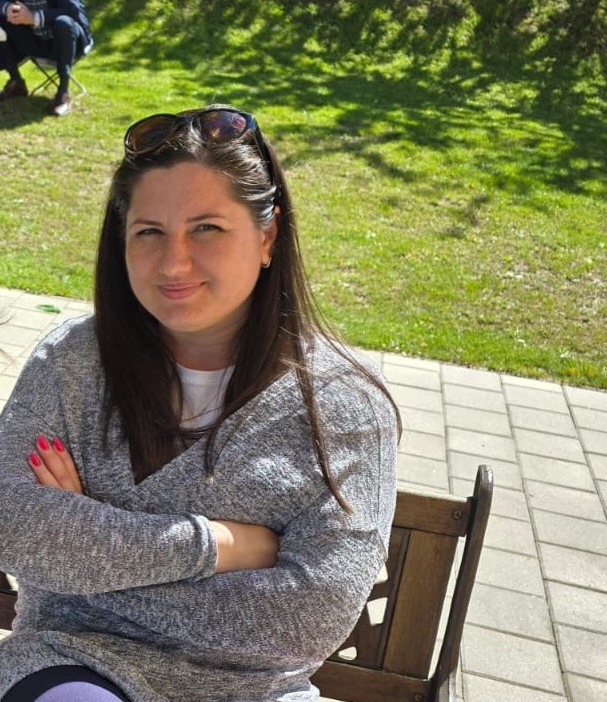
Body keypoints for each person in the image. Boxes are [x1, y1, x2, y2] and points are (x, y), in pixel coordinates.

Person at [0, 106, 399, 701]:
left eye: (206, 228)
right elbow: (13, 525)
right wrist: (222, 546)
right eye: (149, 232)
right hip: (73, 667)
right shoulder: (72, 362)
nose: (174, 263)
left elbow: (308, 618)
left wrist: (85, 555)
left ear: (267, 236)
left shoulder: (343, 406)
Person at [0, 0, 92, 117]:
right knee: (3, 18)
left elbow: (71, 8)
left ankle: (63, 94)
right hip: (36, 40)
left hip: (68, 42)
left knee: (63, 22)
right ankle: (16, 82)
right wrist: (9, 8)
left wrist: (34, 17)